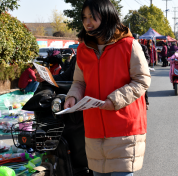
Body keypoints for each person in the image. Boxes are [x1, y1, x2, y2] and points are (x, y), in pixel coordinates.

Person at [64, 1, 151, 176]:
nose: (88, 22)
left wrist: (114, 100)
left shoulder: (129, 45)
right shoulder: (83, 49)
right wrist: (72, 97)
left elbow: (142, 80)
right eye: (85, 18)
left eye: (93, 17)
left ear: (107, 17)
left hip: (124, 127)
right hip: (94, 128)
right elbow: (79, 82)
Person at [134, 33, 151, 110]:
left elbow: (148, 58)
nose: (134, 41)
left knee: (143, 86)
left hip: (142, 69)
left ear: (138, 40)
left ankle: (146, 102)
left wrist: (144, 65)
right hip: (132, 70)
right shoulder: (128, 47)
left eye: (135, 39)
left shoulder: (143, 47)